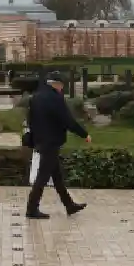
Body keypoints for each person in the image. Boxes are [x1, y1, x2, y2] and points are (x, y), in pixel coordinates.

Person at [24, 71, 90, 219]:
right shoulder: (55, 98)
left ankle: (69, 205)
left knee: (57, 177)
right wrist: (84, 134)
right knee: (42, 177)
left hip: (41, 140)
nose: (62, 88)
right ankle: (31, 209)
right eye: (61, 85)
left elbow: (30, 119)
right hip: (51, 142)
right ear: (56, 84)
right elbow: (68, 121)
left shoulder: (36, 97)